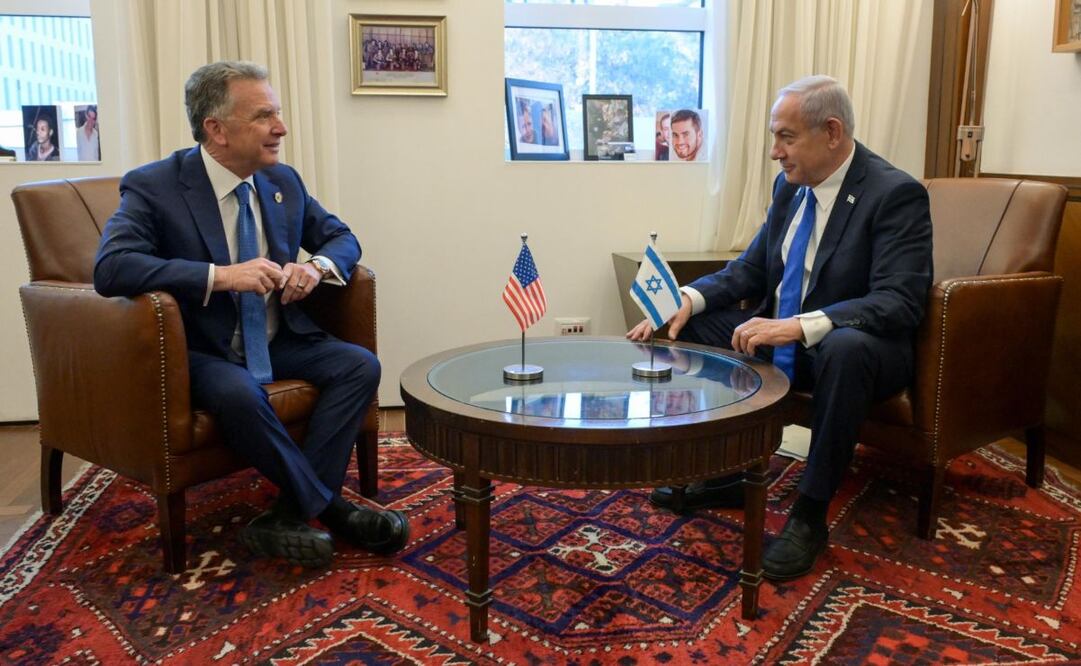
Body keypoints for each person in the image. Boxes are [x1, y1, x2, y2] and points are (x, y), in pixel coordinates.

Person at [94, 60, 409, 569]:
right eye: (264, 116)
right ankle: (335, 510)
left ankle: (286, 514)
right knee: (239, 393)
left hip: (278, 333)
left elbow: (341, 237)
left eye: (277, 114)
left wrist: (320, 266)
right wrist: (220, 275)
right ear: (216, 129)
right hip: (202, 349)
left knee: (359, 365)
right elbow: (112, 268)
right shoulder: (155, 187)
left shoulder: (281, 180)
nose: (280, 128)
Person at [627, 75, 933, 581]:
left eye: (786, 138)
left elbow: (898, 301)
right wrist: (687, 298)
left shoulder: (894, 193)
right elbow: (750, 269)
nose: (775, 152)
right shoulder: (789, 188)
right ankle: (730, 471)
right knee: (695, 326)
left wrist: (799, 325)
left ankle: (810, 515)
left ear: (831, 132)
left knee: (846, 348)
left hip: (862, 352)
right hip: (795, 338)